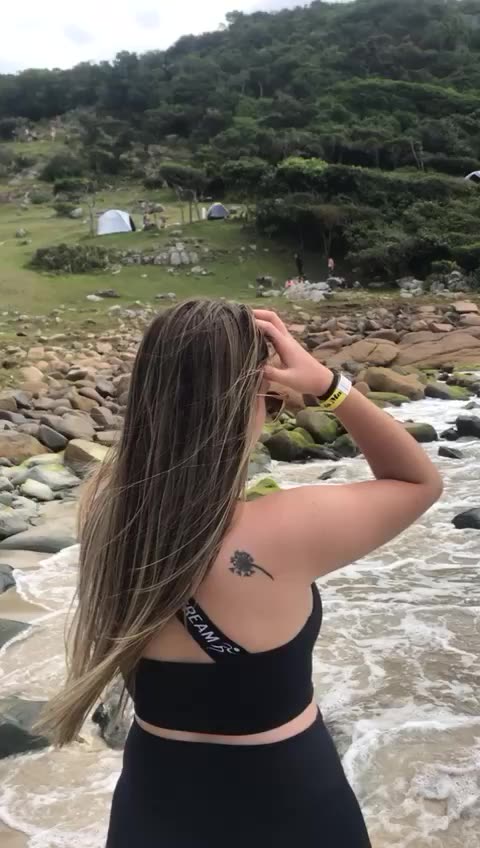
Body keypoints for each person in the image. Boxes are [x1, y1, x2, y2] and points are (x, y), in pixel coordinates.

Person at [42, 300, 443, 848]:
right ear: (248, 399)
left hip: (152, 805)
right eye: (270, 399)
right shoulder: (285, 529)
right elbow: (418, 481)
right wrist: (328, 386)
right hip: (287, 807)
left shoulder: (106, 509)